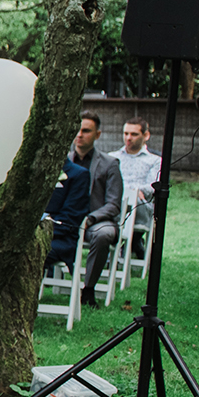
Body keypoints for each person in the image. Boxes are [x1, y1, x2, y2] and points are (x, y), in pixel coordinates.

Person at [71, 112, 125, 302]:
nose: (79, 134)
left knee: (103, 235)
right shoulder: (64, 162)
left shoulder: (110, 164)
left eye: (86, 131)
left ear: (97, 135)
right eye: (77, 129)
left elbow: (113, 205)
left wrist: (91, 218)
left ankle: (88, 288)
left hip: (98, 221)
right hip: (68, 220)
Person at [112, 118, 161, 258]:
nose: (128, 138)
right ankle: (128, 243)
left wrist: (135, 191)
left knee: (133, 199)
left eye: (134, 134)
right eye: (126, 133)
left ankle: (132, 241)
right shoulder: (112, 157)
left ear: (146, 136)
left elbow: (153, 185)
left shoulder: (155, 160)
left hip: (139, 205)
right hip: (115, 202)